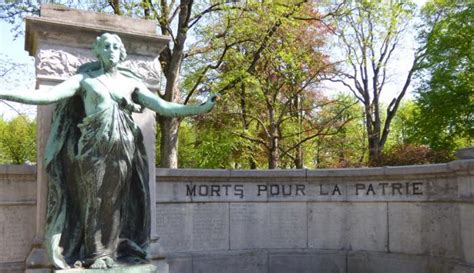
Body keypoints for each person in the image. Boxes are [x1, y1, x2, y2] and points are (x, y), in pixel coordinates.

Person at [0, 33, 217, 269]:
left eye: (116, 46)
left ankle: (110, 253)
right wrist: (4, 93)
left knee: (115, 202)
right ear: (98, 51)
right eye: (106, 46)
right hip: (92, 150)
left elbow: (163, 106)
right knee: (93, 200)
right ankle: (95, 255)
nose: (111, 50)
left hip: (124, 150)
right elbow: (47, 96)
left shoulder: (131, 84)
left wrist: (199, 108)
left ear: (121, 53)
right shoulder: (85, 80)